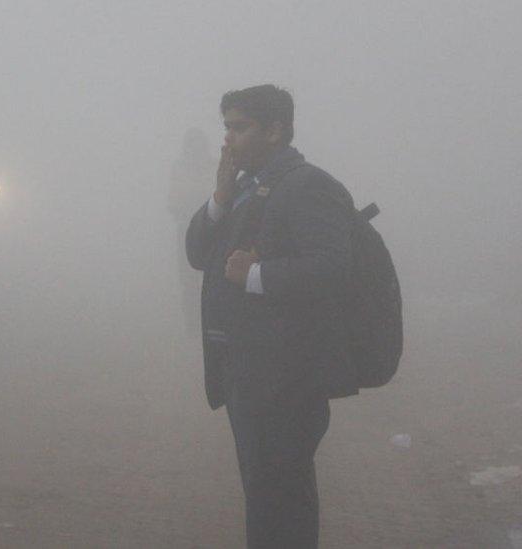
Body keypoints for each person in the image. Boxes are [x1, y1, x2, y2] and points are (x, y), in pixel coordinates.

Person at [185, 84, 359, 548]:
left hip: (286, 378)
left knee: (282, 503)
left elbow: (334, 268)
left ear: (276, 130)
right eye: (226, 127)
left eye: (240, 128)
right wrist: (219, 198)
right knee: (264, 498)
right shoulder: (243, 187)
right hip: (248, 373)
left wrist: (257, 275)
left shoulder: (308, 186)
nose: (228, 139)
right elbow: (197, 253)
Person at [168, 128, 217, 333]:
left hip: (214, 230)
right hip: (188, 229)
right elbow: (172, 202)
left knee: (213, 278)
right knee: (188, 280)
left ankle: (211, 324)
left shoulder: (215, 166)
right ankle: (193, 328)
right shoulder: (179, 168)